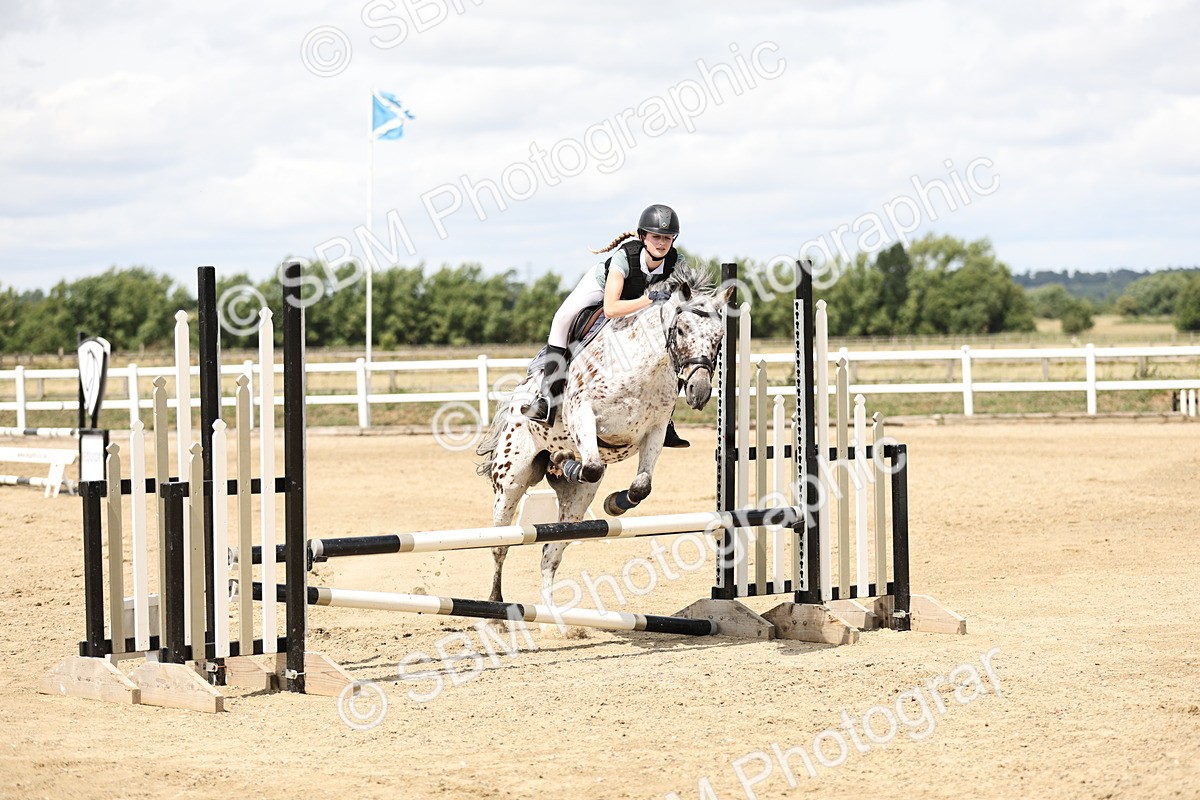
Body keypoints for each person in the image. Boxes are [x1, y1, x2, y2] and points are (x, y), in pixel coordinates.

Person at [520, 203, 691, 447]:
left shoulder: (677, 262)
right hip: (603, 290)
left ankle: (667, 419)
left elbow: (685, 301)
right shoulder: (625, 257)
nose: (662, 243)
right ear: (643, 236)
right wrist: (648, 299)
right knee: (562, 319)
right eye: (656, 237)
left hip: (645, 302)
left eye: (667, 237)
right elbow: (610, 309)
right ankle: (548, 398)